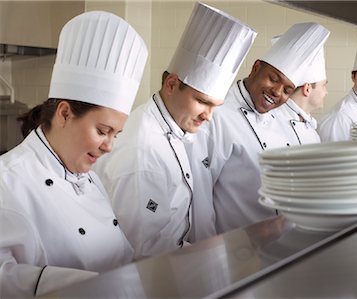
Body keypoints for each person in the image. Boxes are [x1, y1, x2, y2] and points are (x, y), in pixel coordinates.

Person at [0, 11, 147, 297]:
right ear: (65, 113)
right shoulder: (7, 181)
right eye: (103, 131)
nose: (109, 146)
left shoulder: (89, 178)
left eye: (116, 134)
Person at [93, 2, 256, 258]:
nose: (208, 116)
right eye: (202, 101)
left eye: (215, 106)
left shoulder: (173, 128)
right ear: (171, 84)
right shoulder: (143, 151)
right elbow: (141, 253)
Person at [188, 22, 330, 241]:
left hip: (277, 246)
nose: (276, 92)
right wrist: (207, 254)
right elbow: (200, 197)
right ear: (255, 68)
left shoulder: (280, 119)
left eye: (287, 90)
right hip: (234, 248)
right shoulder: (217, 116)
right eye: (273, 78)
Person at [279, 47, 328, 144]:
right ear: (307, 89)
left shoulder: (310, 126)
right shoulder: (276, 121)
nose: (326, 92)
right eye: (323, 86)